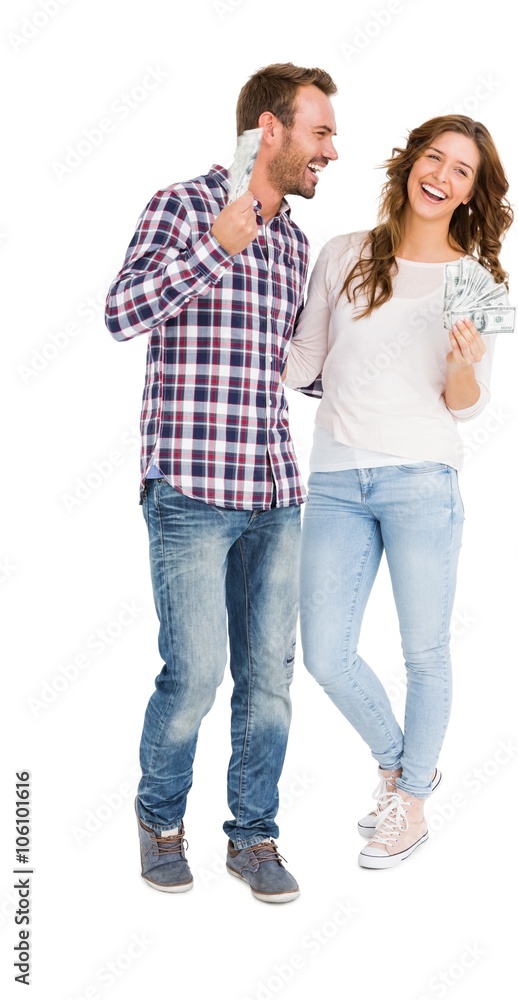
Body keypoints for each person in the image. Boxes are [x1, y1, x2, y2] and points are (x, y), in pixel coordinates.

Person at [104, 62, 338, 900]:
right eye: (319, 131)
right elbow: (120, 313)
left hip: (275, 492)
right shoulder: (180, 205)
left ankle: (255, 836)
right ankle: (160, 820)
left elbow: (293, 369)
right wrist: (215, 246)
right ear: (268, 129)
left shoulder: (296, 242)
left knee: (269, 683)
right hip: (192, 491)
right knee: (196, 674)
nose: (332, 150)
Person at [284, 114, 512, 869]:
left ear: (471, 194)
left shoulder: (472, 280)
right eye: (434, 158)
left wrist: (463, 361)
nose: (441, 176)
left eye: (462, 171)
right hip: (338, 478)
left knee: (424, 651)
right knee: (324, 654)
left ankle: (409, 804)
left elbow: (467, 405)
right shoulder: (343, 253)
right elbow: (302, 363)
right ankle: (399, 764)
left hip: (421, 479)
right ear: (410, 162)